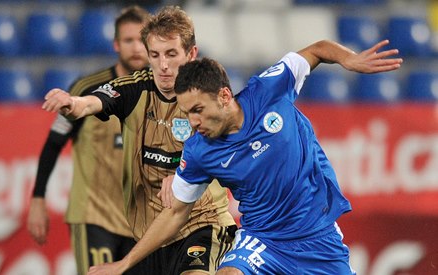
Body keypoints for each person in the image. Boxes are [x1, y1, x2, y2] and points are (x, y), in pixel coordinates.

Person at [84, 39, 403, 275]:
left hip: (317, 237)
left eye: (198, 110)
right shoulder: (198, 151)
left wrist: (349, 60)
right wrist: (125, 263)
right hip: (262, 241)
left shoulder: (269, 90)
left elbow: (316, 50)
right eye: (186, 113)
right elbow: (175, 212)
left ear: (224, 96)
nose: (193, 122)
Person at [41, 6, 237, 275]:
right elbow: (94, 102)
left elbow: (229, 146)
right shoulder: (134, 88)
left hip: (202, 224)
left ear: (191, 53)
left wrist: (185, 175)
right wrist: (73, 103)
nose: (163, 65)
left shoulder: (210, 93)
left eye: (171, 54)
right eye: (154, 55)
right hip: (149, 236)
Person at [27, 5, 150, 275]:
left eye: (142, 39)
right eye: (129, 40)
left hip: (142, 221)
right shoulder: (86, 89)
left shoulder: (159, 89)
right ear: (116, 44)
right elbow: (54, 142)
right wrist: (37, 200)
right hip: (94, 216)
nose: (137, 47)